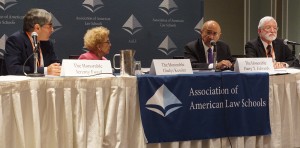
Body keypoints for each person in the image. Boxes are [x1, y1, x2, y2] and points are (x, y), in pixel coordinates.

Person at [4, 8, 61, 76]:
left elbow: (55, 63)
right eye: (50, 26)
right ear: (37, 28)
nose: (52, 30)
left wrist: (59, 68)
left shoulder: (47, 43)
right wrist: (45, 70)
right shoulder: (16, 40)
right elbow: (14, 69)